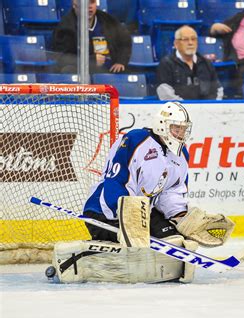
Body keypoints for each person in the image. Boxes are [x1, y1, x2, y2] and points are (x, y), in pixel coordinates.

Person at [49, 102, 234, 284]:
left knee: (175, 240)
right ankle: (80, 257)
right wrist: (129, 218)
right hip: (105, 211)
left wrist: (181, 217)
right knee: (135, 245)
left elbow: (172, 192)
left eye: (183, 129)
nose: (181, 133)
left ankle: (155, 264)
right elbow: (116, 180)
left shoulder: (181, 154)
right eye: (176, 128)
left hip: (143, 213)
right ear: (162, 125)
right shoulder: (136, 140)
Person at [52, 0, 131, 73]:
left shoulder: (107, 20)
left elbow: (124, 40)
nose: (89, 6)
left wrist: (121, 61)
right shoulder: (65, 27)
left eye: (92, 2)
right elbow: (63, 58)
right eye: (85, 3)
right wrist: (90, 60)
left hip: (109, 69)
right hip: (84, 71)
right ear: (75, 5)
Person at [156, 25, 223, 100]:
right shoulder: (166, 64)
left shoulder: (206, 63)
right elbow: (165, 93)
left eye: (193, 39)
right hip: (179, 110)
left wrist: (208, 107)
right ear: (176, 44)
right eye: (185, 39)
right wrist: (187, 108)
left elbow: (218, 90)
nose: (190, 43)